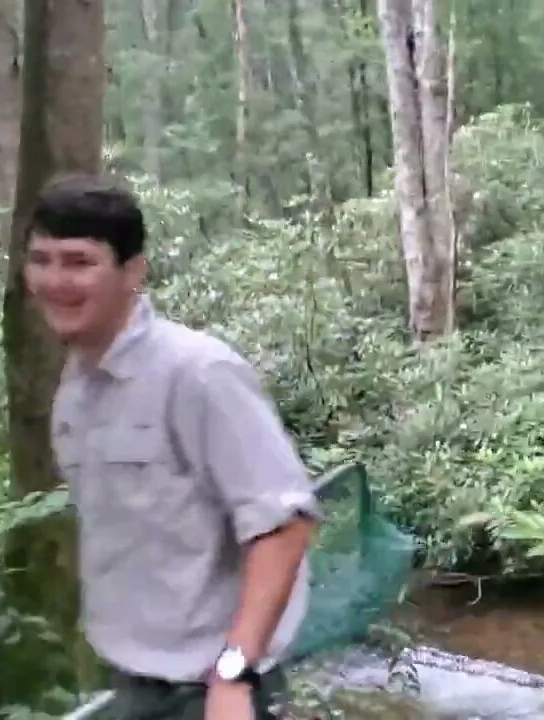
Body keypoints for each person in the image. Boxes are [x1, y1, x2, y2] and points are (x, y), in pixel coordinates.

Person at [24, 173, 321, 720]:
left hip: (211, 690)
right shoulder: (76, 387)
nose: (54, 280)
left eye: (79, 261)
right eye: (41, 259)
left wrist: (235, 675)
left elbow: (284, 524)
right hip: (132, 680)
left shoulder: (198, 374)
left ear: (132, 272)